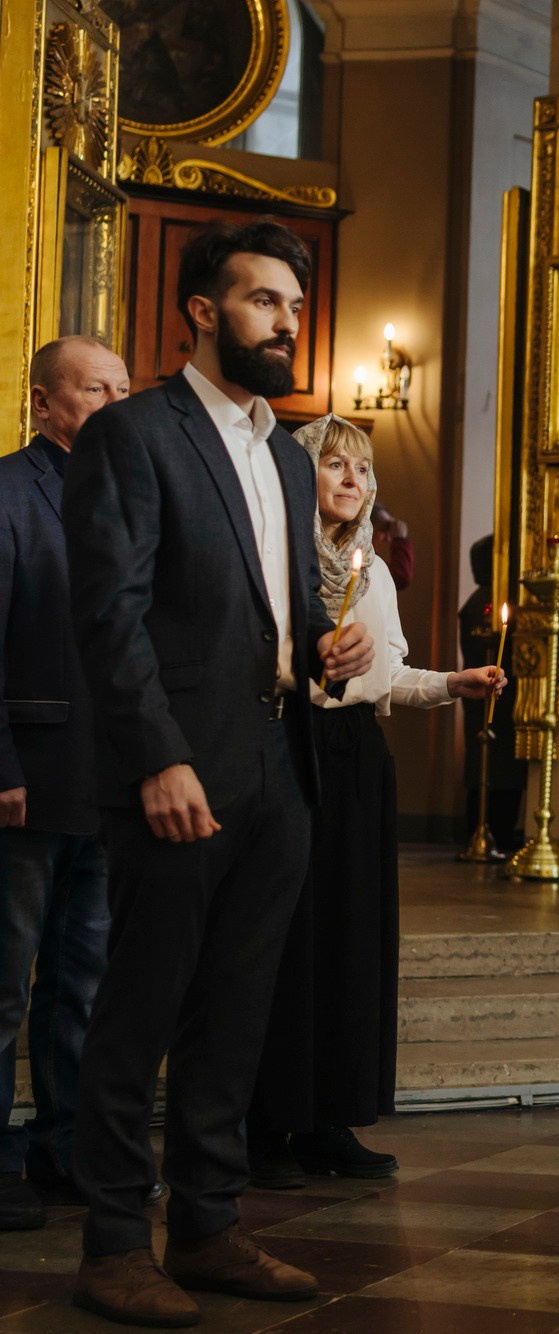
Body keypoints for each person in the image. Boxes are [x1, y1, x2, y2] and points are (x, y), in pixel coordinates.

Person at [64, 218, 375, 1327]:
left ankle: (204, 1224)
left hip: (278, 769)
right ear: (202, 311)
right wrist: (157, 757)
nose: (286, 323)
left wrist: (327, 650)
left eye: (292, 304)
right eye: (262, 302)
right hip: (178, 773)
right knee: (138, 1009)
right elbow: (111, 615)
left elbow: (282, 602)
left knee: (237, 1010)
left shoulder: (287, 457)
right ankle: (110, 1243)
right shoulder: (134, 435)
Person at [247, 414, 504, 1190]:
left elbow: (387, 677)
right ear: (299, 475)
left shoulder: (375, 572)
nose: (352, 481)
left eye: (362, 469)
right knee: (284, 938)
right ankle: (264, 1125)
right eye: (334, 465)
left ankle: (331, 1118)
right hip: (290, 747)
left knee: (350, 935)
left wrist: (452, 685)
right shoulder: (272, 556)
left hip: (356, 759)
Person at [0, 337, 129, 1231]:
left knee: (81, 982)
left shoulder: (132, 495)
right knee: (4, 983)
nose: (116, 403)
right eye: (95, 390)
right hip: (26, 776)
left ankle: (62, 1150)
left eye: (126, 388)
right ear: (43, 402)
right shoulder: (8, 490)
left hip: (109, 782)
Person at [458, 536, 526, 852]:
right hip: (493, 694)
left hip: (492, 696)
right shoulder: (482, 603)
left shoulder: (478, 599)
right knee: (492, 764)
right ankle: (489, 830)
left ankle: (491, 829)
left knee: (494, 764)